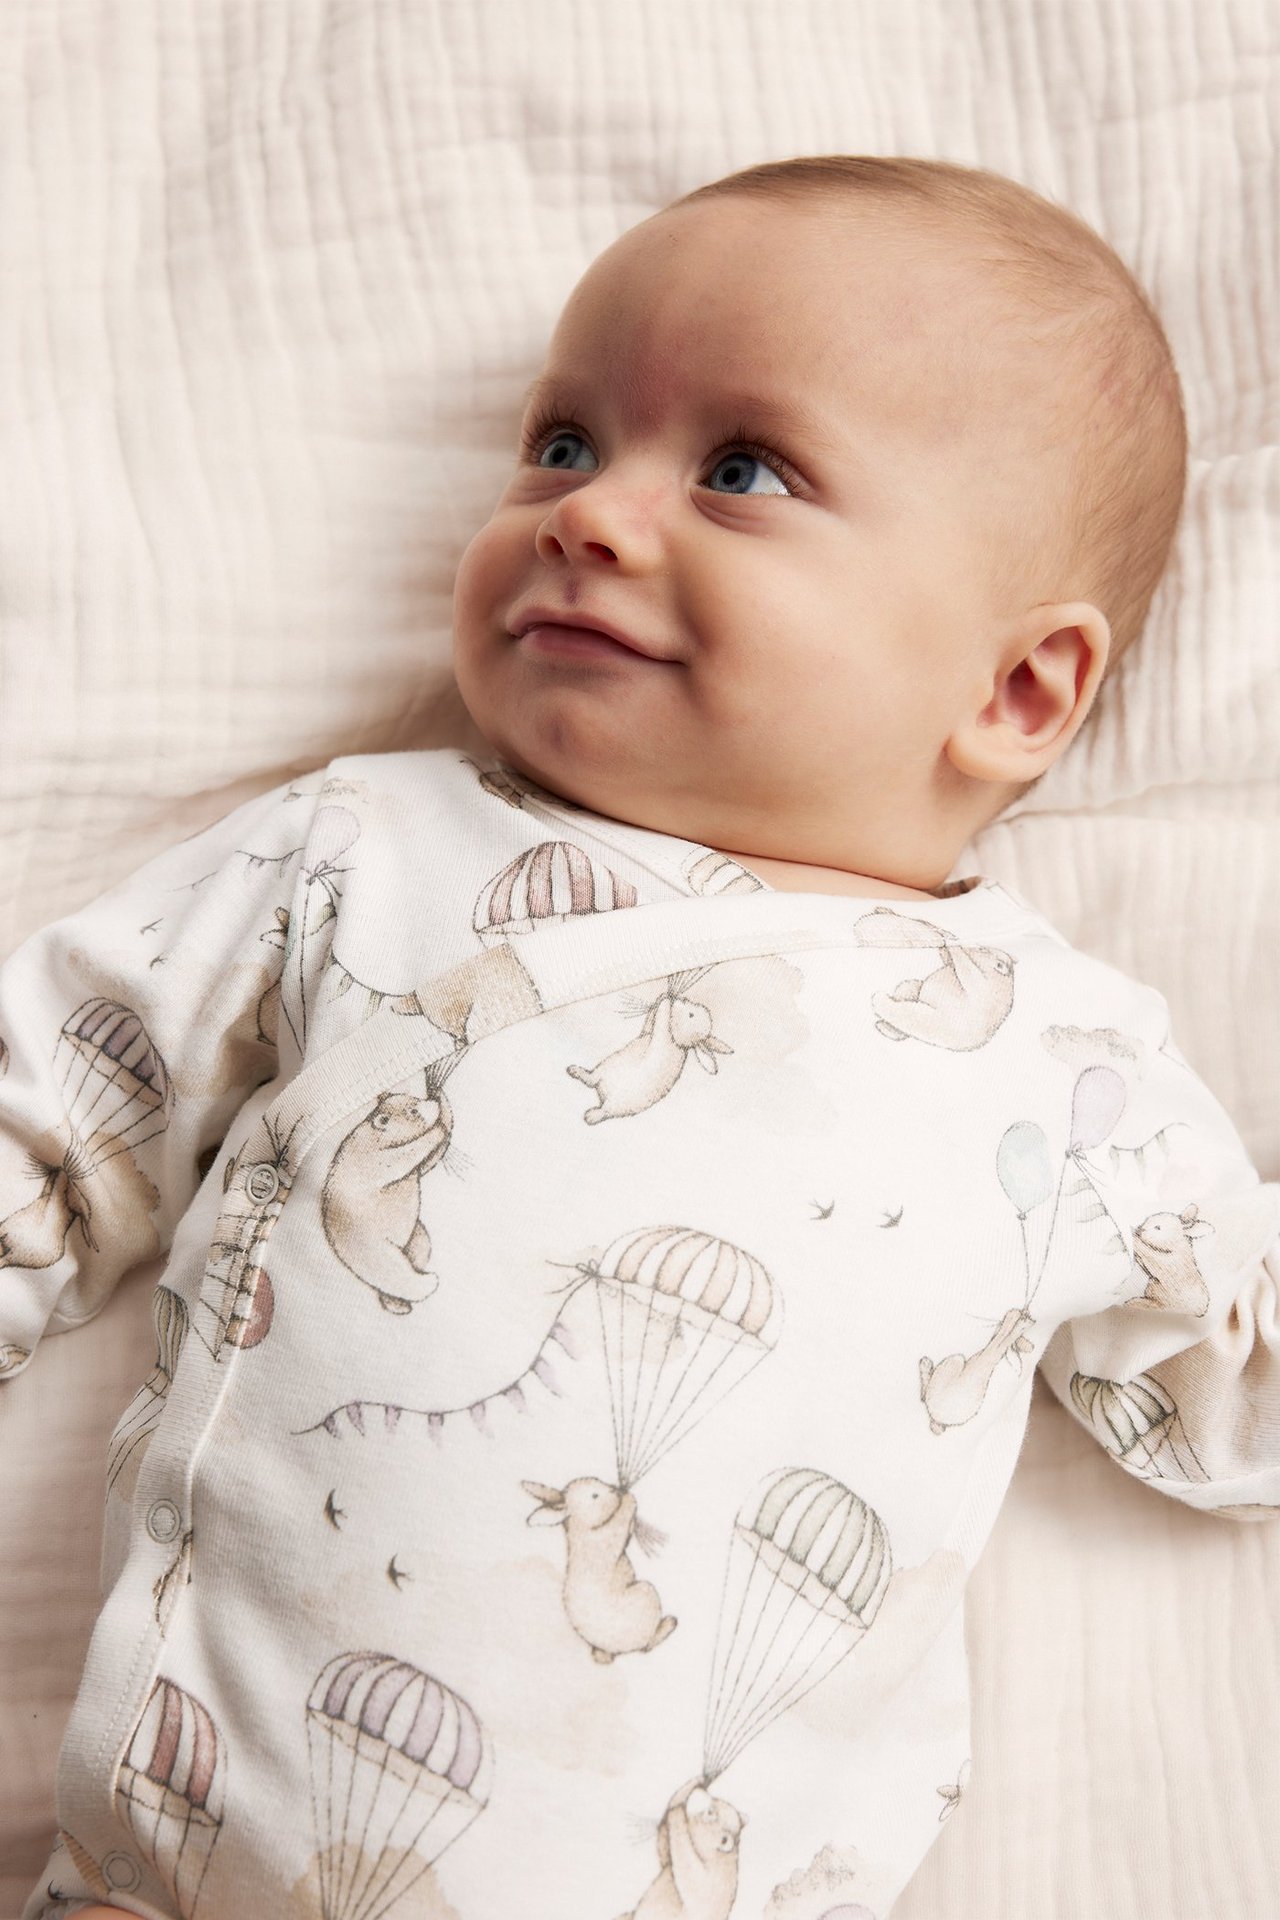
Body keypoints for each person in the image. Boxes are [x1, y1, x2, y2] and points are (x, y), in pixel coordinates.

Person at [6, 156, 1276, 1920]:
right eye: (563, 442)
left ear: (1015, 693)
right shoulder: (366, 850)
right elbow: (67, 1096)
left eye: (742, 470)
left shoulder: (1067, 1061)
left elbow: (1233, 1387)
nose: (590, 517)